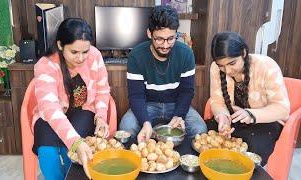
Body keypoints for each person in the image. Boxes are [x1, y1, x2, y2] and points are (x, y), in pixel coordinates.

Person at [32, 18, 111, 179]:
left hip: (83, 110)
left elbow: (102, 90)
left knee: (73, 156)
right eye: (74, 52)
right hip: (51, 116)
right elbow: (50, 109)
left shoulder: (95, 56)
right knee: (48, 154)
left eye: (85, 51)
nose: (81, 58)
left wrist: (101, 117)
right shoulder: (45, 65)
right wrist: (75, 142)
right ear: (60, 45)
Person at [119, 5, 207, 143]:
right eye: (159, 39)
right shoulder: (136, 55)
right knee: (126, 128)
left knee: (199, 129)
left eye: (171, 38)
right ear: (149, 33)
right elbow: (136, 96)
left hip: (175, 103)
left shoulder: (186, 54)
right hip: (148, 104)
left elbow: (186, 91)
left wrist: (179, 115)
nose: (165, 45)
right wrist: (145, 122)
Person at [208, 31, 290, 166]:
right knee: (208, 135)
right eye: (221, 65)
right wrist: (222, 118)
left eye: (232, 63)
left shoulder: (266, 66)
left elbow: (282, 109)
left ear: (244, 53)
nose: (227, 71)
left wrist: (251, 115)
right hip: (235, 119)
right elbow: (217, 102)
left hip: (266, 121)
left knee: (248, 153)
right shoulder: (215, 68)